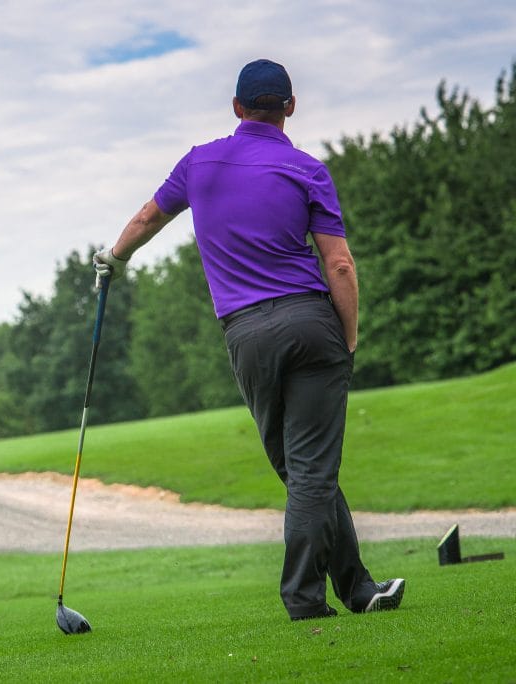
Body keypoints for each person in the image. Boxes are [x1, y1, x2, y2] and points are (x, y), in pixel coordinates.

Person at [93, 59, 405, 621]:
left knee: (303, 469)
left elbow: (146, 218)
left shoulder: (198, 161)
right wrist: (349, 337)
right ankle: (316, 596)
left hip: (246, 335)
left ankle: (352, 589)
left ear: (237, 107)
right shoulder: (307, 169)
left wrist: (113, 260)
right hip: (312, 325)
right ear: (290, 107)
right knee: (307, 470)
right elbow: (339, 265)